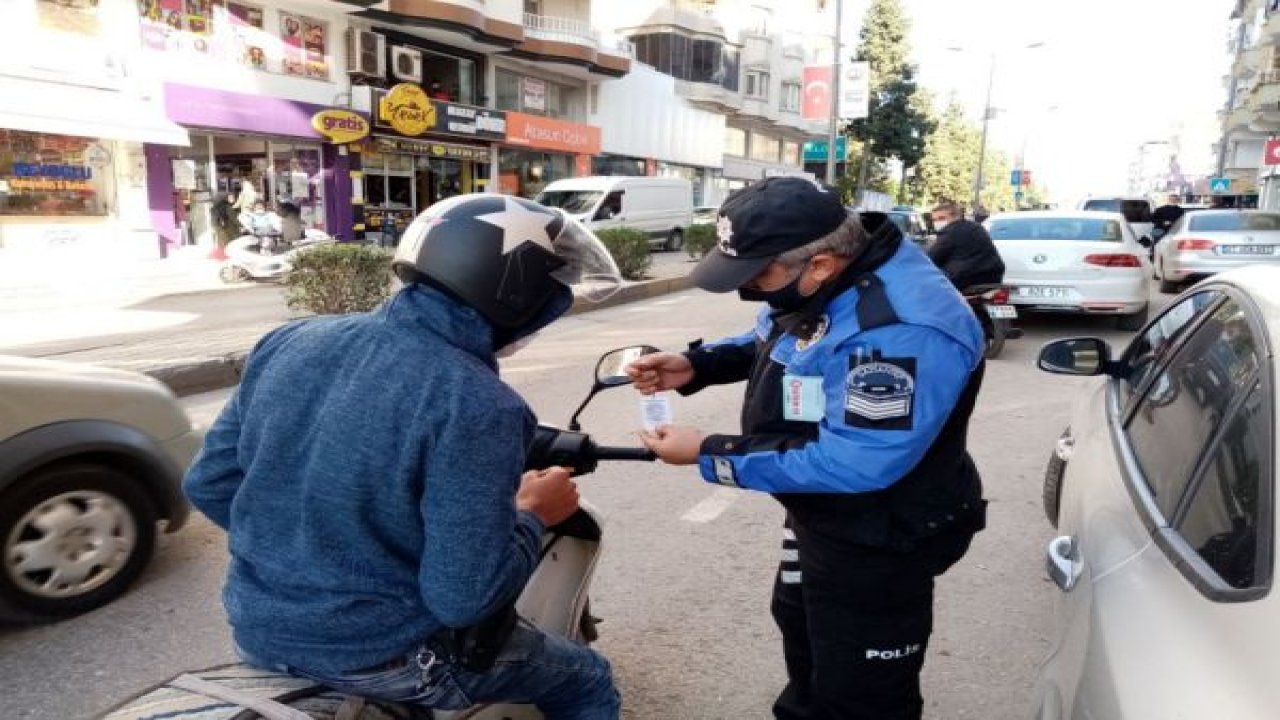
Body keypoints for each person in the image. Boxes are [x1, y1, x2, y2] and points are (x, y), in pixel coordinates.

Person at [185, 194, 623, 719]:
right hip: (392, 659)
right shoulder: (479, 403)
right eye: (551, 302)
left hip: (258, 631)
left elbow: (210, 484)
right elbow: (463, 598)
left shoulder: (288, 341)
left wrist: (313, 550)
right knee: (588, 680)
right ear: (521, 301)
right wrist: (533, 514)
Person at [626, 177, 988, 720]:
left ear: (819, 263)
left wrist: (710, 451)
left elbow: (857, 463)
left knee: (862, 691)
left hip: (880, 532)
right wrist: (698, 365)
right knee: (800, 619)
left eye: (755, 274)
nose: (748, 288)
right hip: (821, 512)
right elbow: (786, 335)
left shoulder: (898, 331)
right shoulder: (832, 278)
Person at [926, 200, 1005, 292]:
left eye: (941, 218)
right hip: (994, 276)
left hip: (964, 279)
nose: (937, 222)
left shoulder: (950, 232)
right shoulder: (976, 227)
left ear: (955, 216)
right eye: (934, 220)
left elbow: (932, 258)